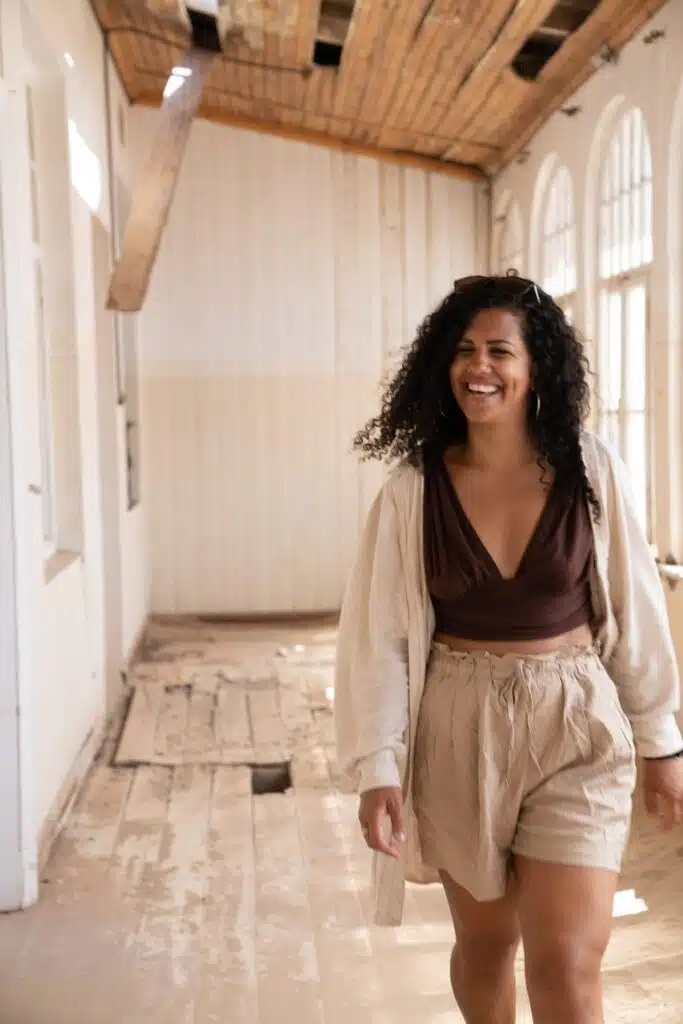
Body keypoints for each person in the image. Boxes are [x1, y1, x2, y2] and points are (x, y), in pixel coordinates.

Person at [334, 273, 683, 1024]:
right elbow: (380, 641)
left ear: (535, 369)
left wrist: (661, 743)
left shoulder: (589, 470)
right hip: (459, 725)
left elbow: (634, 605)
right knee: (487, 945)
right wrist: (377, 764)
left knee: (566, 961)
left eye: (499, 350)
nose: (479, 367)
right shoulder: (410, 489)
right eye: (463, 350)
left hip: (576, 720)